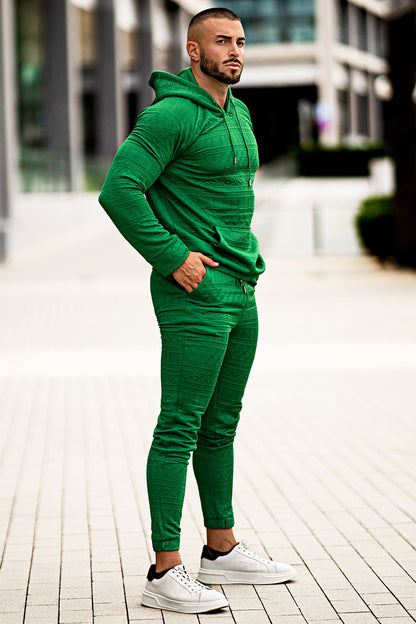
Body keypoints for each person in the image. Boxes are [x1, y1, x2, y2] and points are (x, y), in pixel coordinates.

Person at [99, 7, 296, 615]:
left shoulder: (238, 111)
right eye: (222, 41)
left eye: (241, 41)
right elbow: (119, 189)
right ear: (192, 50)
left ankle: (221, 548)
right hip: (194, 294)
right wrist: (172, 256)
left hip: (241, 289)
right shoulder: (169, 115)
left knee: (221, 425)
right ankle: (164, 569)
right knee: (179, 426)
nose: (235, 51)